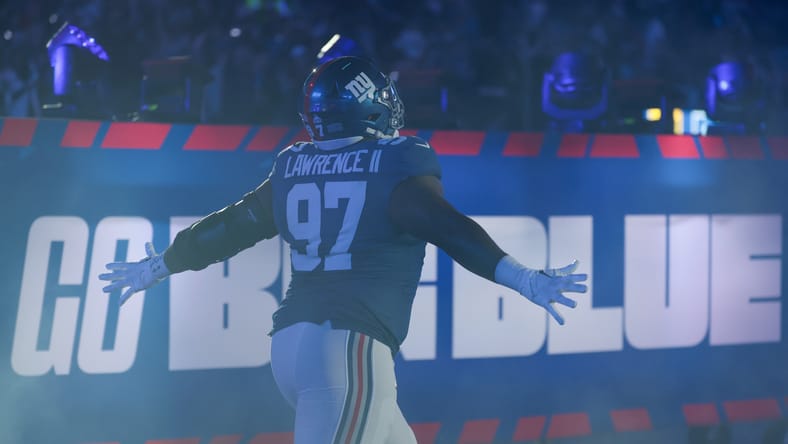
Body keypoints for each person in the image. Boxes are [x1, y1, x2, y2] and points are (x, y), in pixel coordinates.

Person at [99, 56, 587, 444]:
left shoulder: (294, 164)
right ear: (369, 105)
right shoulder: (393, 161)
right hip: (348, 348)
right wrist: (524, 278)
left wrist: (162, 263)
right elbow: (449, 229)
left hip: (291, 347)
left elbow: (232, 226)